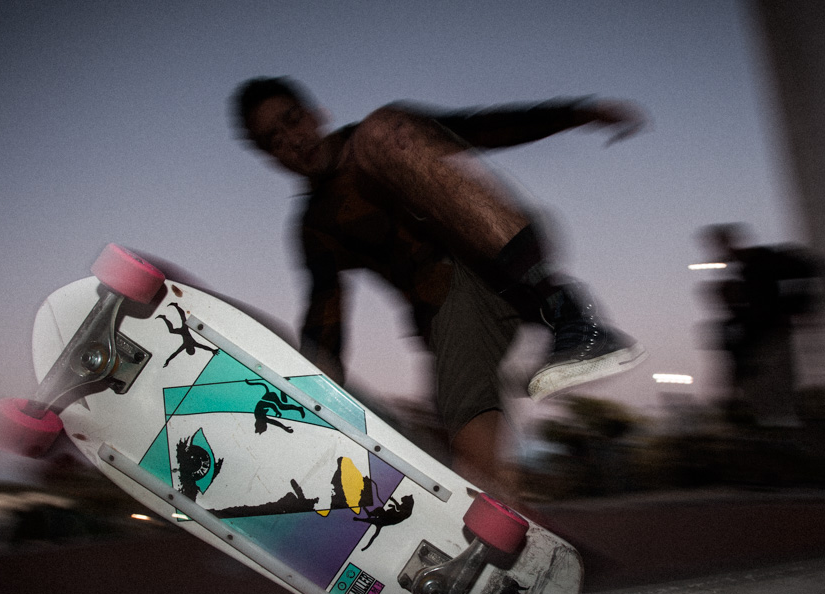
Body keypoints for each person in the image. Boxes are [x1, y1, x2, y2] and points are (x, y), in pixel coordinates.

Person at [232, 76, 647, 501]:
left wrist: (580, 113)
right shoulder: (315, 226)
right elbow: (325, 321)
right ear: (268, 157)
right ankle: (514, 534)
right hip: (449, 310)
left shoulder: (382, 135)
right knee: (476, 476)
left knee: (380, 131)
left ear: (317, 114)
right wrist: (309, 410)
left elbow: (479, 129)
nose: (294, 141)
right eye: (275, 140)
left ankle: (568, 313)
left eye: (293, 120)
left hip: (499, 255)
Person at [701, 223, 825, 428]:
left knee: (778, 397)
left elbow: (808, 268)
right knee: (770, 400)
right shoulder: (747, 273)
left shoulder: (762, 260)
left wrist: (799, 308)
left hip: (771, 336)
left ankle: (784, 426)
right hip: (760, 342)